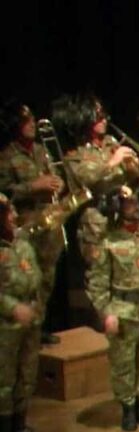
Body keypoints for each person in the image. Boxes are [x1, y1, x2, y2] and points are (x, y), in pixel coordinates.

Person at [85, 186, 139, 431]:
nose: (136, 206)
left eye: (137, 202)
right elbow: (97, 283)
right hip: (124, 309)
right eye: (129, 203)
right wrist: (105, 313)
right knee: (124, 362)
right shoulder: (108, 241)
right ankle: (128, 407)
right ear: (118, 208)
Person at [0, 101, 66, 344]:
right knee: (30, 280)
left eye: (32, 120)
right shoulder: (7, 156)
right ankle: (27, 332)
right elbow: (5, 191)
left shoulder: (41, 151)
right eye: (27, 121)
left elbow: (54, 175)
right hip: (26, 226)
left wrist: (57, 182)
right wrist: (33, 187)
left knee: (47, 280)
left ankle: (40, 327)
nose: (32, 125)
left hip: (50, 223)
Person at [51, 93, 137, 265]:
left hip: (121, 218)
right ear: (85, 119)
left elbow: (130, 178)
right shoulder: (74, 155)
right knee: (99, 276)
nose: (104, 119)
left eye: (104, 115)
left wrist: (134, 167)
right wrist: (112, 163)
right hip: (96, 225)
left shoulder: (111, 143)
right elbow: (86, 179)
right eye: (98, 116)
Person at [0, 194, 50, 432]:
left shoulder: (21, 240)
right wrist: (12, 307)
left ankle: (20, 426)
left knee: (27, 375)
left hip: (31, 317)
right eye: (6, 212)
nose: (12, 215)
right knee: (4, 379)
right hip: (6, 325)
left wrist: (35, 305)